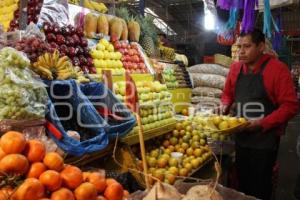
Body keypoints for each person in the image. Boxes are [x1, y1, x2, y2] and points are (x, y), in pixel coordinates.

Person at [218, 29, 299, 200]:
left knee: (260, 186)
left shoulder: (277, 70)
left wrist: (262, 123)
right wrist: (223, 107)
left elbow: (290, 106)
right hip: (240, 136)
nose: (241, 51)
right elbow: (227, 95)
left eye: (247, 46)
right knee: (242, 182)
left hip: (264, 141)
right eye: (239, 46)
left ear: (261, 46)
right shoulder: (235, 68)